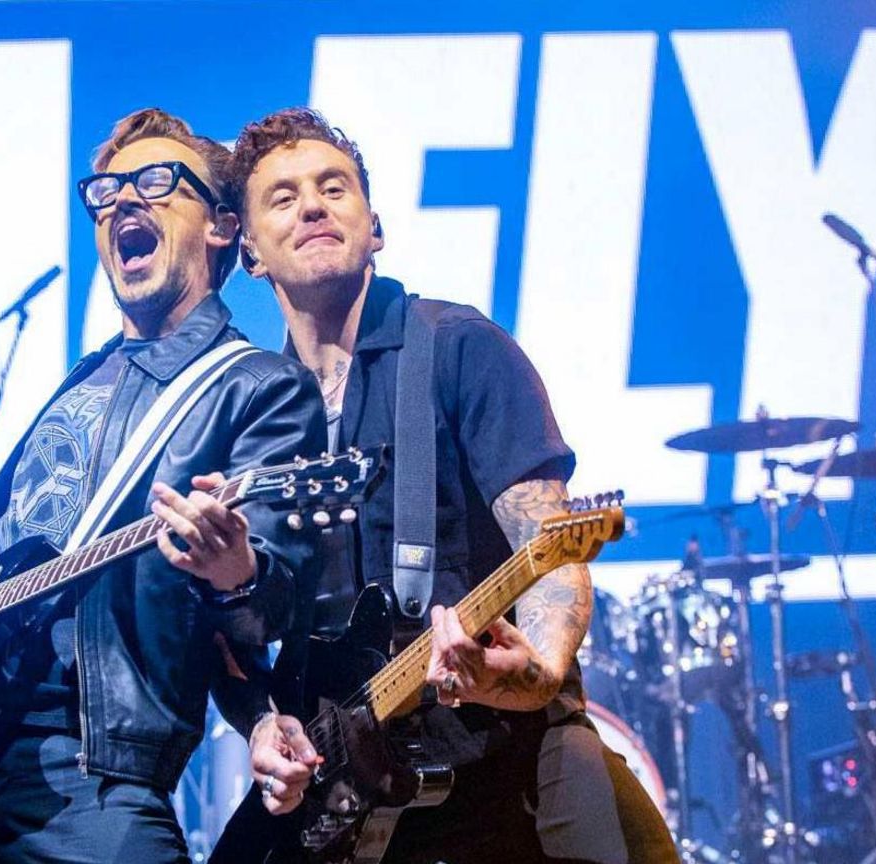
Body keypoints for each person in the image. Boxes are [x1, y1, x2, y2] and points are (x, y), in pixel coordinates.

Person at [0, 108, 327, 864]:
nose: (122, 203)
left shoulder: (256, 387)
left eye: (154, 182)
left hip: (92, 766)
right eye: (107, 191)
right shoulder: (80, 379)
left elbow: (273, 603)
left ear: (219, 228)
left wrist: (235, 571)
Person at [211, 107, 679, 864]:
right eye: (284, 197)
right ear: (252, 255)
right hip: (349, 793)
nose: (314, 205)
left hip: (507, 768)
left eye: (335, 188)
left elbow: (551, 554)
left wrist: (532, 671)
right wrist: (262, 725)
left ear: (376, 229)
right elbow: (233, 636)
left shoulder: (459, 347)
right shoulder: (255, 415)